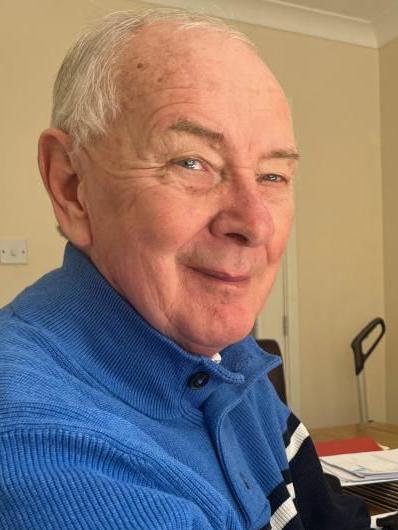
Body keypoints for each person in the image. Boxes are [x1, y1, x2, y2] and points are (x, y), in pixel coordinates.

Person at [0, 8, 368, 529]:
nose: (255, 223)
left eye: (272, 175)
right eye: (191, 162)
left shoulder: (219, 351)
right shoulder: (42, 448)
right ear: (72, 187)